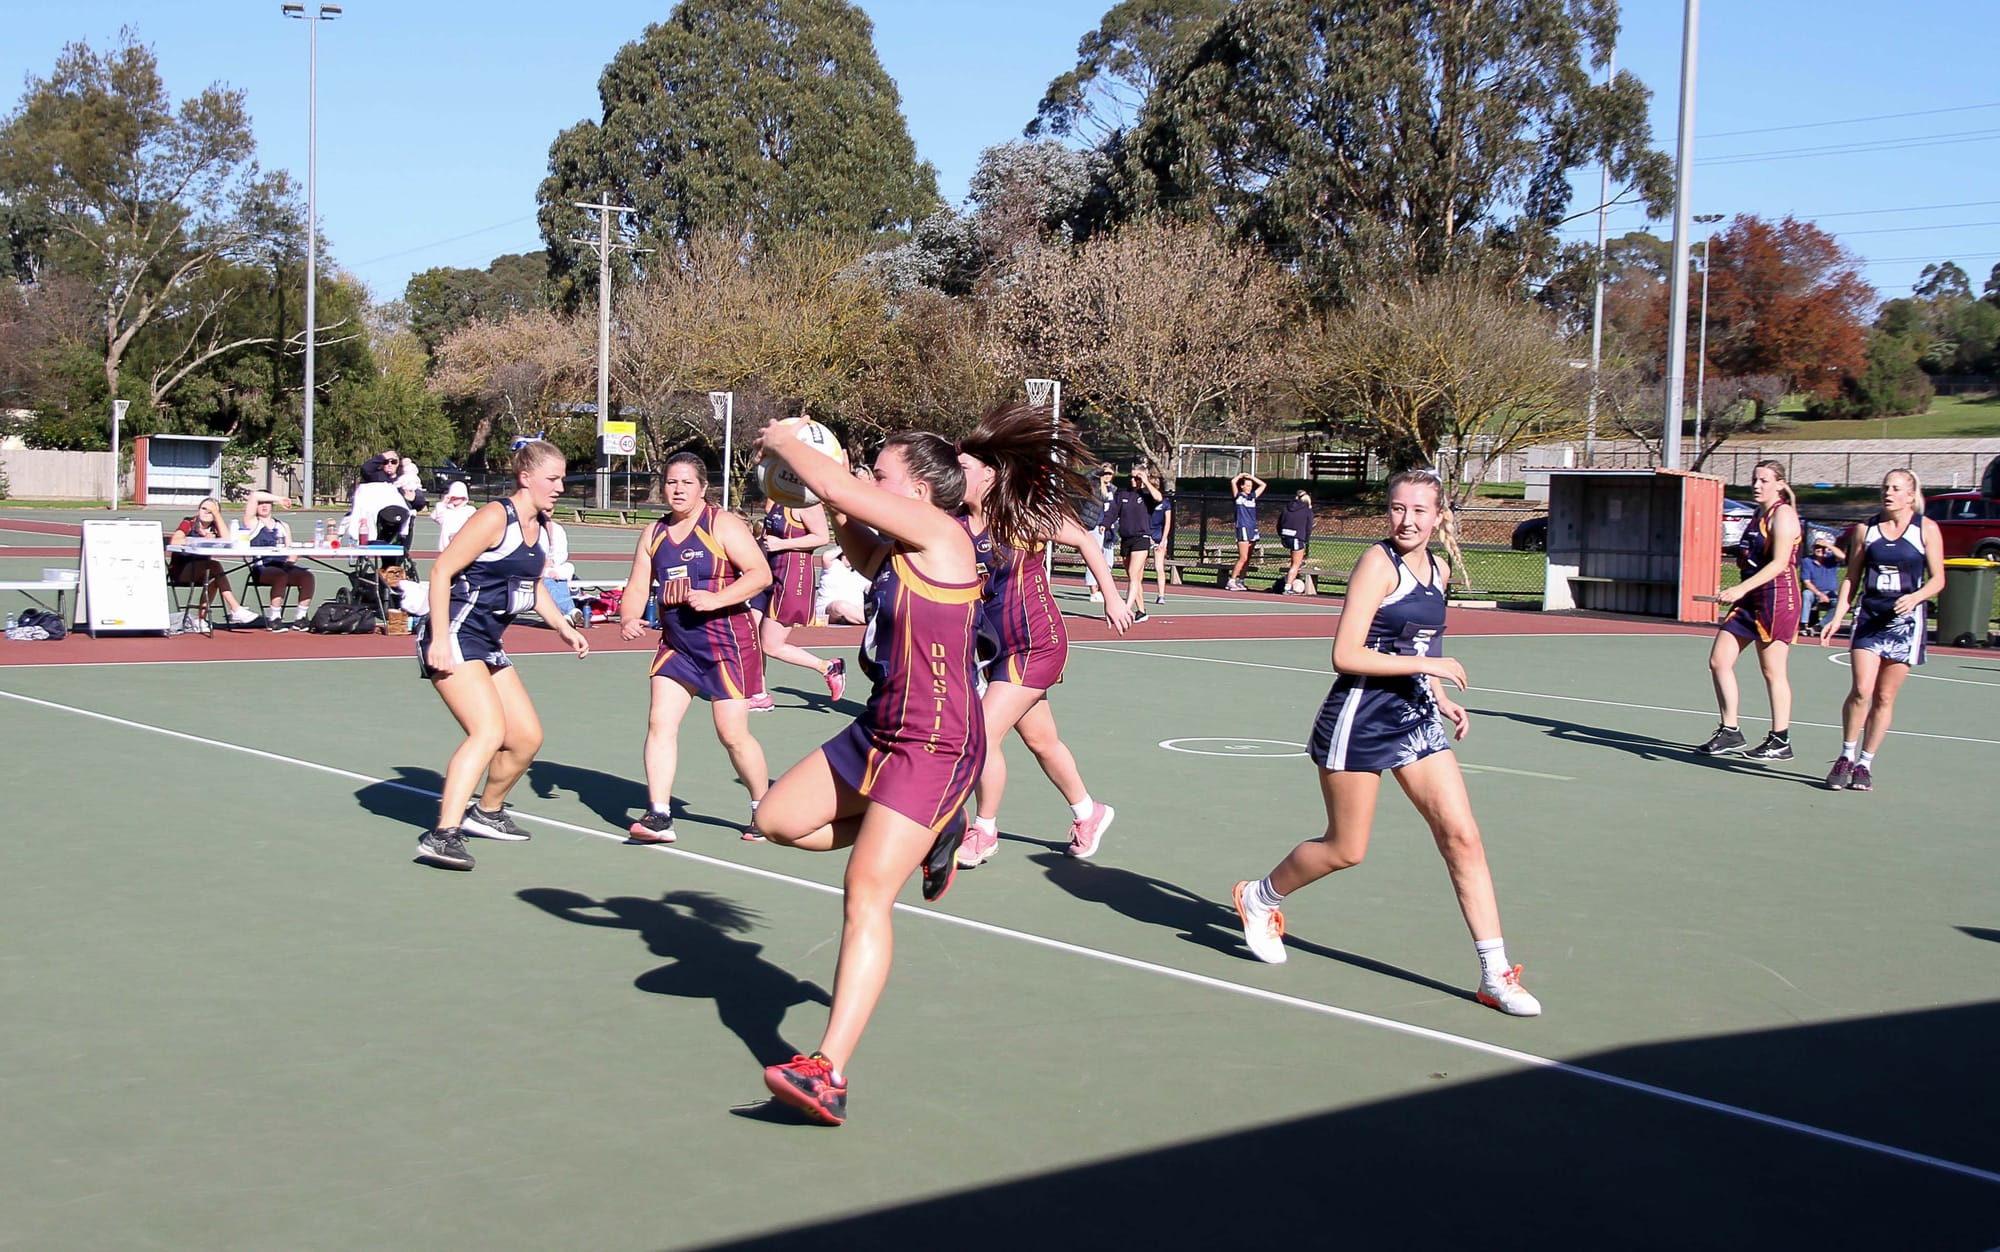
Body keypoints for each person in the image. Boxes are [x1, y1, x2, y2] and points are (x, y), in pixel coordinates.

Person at [753, 406, 1080, 1126]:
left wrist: (790, 444)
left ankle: (827, 1070)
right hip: (880, 727)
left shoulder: (943, 537)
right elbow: (842, 515)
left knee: (865, 892)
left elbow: (839, 492)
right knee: (775, 820)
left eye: (882, 476)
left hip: (935, 743)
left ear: (920, 493)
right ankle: (930, 831)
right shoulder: (901, 552)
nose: (869, 482)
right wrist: (810, 486)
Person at [1231, 467, 1541, 1017]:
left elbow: (1422, 640)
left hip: (1415, 713)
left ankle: (1495, 973)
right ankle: (1260, 897)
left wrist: (1438, 694)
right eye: (1399, 508)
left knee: (1463, 837)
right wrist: (1430, 665)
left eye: (1420, 511)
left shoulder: (1439, 568)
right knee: (1346, 849)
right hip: (1360, 715)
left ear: (1438, 516)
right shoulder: (1377, 563)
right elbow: (1346, 654)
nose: (1407, 520)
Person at [956, 428, 1134, 870]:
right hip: (996, 650)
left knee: (981, 733)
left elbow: (1085, 540)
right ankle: (1088, 812)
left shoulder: (1019, 517)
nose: (953, 474)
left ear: (989, 475)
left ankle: (985, 830)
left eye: (962, 468)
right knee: (1042, 741)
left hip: (1037, 642)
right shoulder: (954, 522)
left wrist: (1112, 596)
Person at [413, 440, 589, 871]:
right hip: (454, 633)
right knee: (488, 732)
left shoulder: (541, 527)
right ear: (526, 478)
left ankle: (486, 813)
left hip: (487, 643)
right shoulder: (495, 517)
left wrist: (565, 628)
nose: (561, 487)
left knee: (527, 738)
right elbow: (441, 570)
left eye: (562, 478)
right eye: (553, 479)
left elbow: (534, 587)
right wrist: (438, 637)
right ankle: (442, 834)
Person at [619, 452, 774, 845]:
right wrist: (629, 617)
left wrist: (716, 598)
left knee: (732, 734)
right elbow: (638, 584)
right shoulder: (653, 534)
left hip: (726, 642)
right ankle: (659, 814)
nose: (678, 489)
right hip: (678, 644)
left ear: (703, 488)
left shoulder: (721, 524)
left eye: (687, 482)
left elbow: (760, 574)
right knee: (660, 723)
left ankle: (764, 808)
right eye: (672, 482)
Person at [1817, 469, 1946, 792]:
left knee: (1885, 696)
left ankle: (1865, 763)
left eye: (1896, 488)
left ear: (1911, 495)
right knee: (1862, 689)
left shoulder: (1926, 530)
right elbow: (1852, 577)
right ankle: (1846, 755)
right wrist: (1838, 614)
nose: (1888, 493)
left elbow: (1938, 580)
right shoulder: (1866, 530)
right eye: (1885, 487)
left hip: (1905, 624)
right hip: (1870, 618)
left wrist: (1915, 597)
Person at [1693, 462, 1805, 761]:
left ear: (1780, 484)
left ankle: (1780, 739)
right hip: (1751, 598)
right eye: (1755, 479)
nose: (1757, 485)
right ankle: (1730, 730)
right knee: (1719, 661)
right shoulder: (1758, 514)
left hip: (1777, 598)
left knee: (1772, 671)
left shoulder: (1783, 515)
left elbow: (1780, 562)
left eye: (1764, 480)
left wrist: (1741, 589)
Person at [753, 489, 845, 708]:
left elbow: (822, 536)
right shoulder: (777, 501)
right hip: (767, 574)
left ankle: (828, 667)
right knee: (749, 634)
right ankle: (758, 695)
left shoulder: (807, 503)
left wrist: (782, 544)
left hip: (792, 576)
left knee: (770, 644)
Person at [167, 497, 258, 626]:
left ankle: (200, 619)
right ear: (198, 510)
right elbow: (175, 541)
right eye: (204, 508)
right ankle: (235, 608)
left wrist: (216, 515)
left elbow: (227, 539)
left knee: (217, 578)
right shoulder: (189, 522)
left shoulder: (215, 528)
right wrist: (200, 540)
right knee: (215, 566)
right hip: (181, 570)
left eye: (211, 510)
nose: (206, 512)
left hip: (202, 571)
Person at [239, 490, 316, 630]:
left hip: (283, 566)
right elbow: (254, 495)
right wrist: (279, 499)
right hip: (262, 568)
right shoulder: (252, 523)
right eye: (261, 503)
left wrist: (291, 561)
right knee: (280, 576)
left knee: (307, 576)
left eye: (267, 503)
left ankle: (300, 617)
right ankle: (274, 618)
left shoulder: (282, 525)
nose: (264, 506)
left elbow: (291, 550)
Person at [1107, 468, 1154, 623]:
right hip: (1126, 538)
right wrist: (1104, 523)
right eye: (1131, 477)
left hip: (1141, 538)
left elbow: (1159, 498)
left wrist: (1145, 481)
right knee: (1134, 577)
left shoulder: (1147, 494)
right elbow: (1113, 511)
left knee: (1133, 574)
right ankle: (1141, 610)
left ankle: (1126, 609)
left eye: (1137, 477)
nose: (1133, 480)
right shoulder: (1122, 494)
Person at [541, 516, 587, 629]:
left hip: (556, 567)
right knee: (547, 579)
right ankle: (569, 611)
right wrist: (544, 566)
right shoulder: (531, 528)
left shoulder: (558, 529)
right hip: (537, 568)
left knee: (565, 570)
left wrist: (552, 563)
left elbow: (562, 554)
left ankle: (567, 616)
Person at [1225, 472, 1268, 591]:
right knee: (1243, 557)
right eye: (1247, 485)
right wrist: (1241, 476)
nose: (1249, 488)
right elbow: (1233, 482)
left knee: (1248, 557)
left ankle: (1241, 580)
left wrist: (1251, 477)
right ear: (1242, 486)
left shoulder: (1253, 496)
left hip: (1252, 528)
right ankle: (1232, 580)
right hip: (1242, 527)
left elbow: (1263, 485)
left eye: (1250, 486)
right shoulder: (1238, 496)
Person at [1138, 463, 1173, 605]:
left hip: (1159, 538)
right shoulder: (1143, 501)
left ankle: (1161, 595)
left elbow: (1168, 523)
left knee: (1159, 567)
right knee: (1139, 567)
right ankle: (1138, 593)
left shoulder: (1165, 502)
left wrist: (1163, 541)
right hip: (1146, 536)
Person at [1078, 467, 1115, 602]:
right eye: (1105, 473)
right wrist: (1098, 470)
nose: (1107, 476)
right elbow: (1084, 479)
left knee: (1108, 561)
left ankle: (1101, 588)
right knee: (1094, 557)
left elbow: (1113, 510)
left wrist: (1109, 524)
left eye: (1110, 473)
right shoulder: (1094, 486)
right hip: (1094, 526)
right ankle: (1093, 591)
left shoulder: (1113, 490)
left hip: (1108, 529)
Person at [1799, 531, 1845, 630]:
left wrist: (1828, 545)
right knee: (1806, 594)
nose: (1820, 550)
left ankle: (1820, 626)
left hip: (1830, 594)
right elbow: (1806, 582)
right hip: (1814, 593)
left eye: (1822, 548)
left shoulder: (1831, 559)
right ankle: (1803, 624)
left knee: (1839, 603)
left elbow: (1842, 556)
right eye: (1817, 547)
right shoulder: (1807, 561)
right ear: (1813, 549)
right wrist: (1819, 594)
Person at [813, 549, 870, 626]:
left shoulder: (862, 572)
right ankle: (877, 622)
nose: (851, 557)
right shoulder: (833, 564)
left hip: (856, 609)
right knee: (840, 606)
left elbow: (870, 589)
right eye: (847, 555)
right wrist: (848, 543)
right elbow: (825, 557)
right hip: (830, 609)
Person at [1277, 489, 1315, 593]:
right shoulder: (1307, 511)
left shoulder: (1286, 508)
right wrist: (1305, 540)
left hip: (1286, 536)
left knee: (1295, 562)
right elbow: (1308, 528)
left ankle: (1290, 578)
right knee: (1295, 564)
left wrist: (1281, 535)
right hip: (1297, 538)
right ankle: (1287, 587)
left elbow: (1279, 523)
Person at [432, 481, 476, 549]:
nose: (455, 499)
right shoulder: (446, 511)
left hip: (463, 547)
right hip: (446, 548)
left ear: (464, 497)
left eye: (459, 497)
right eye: (453, 496)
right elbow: (435, 517)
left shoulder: (469, 510)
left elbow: (476, 525)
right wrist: (443, 503)